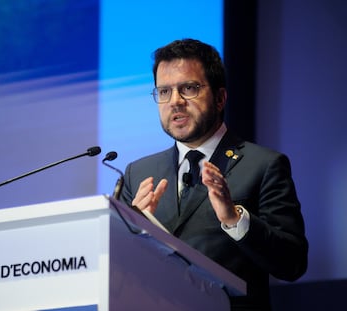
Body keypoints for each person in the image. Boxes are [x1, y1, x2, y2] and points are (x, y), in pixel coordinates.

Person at [120, 38, 308, 310]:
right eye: (164, 92)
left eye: (189, 88)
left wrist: (235, 219)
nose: (175, 102)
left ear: (220, 98)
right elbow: (126, 273)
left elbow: (292, 263)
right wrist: (131, 234)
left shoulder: (264, 165)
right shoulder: (139, 173)